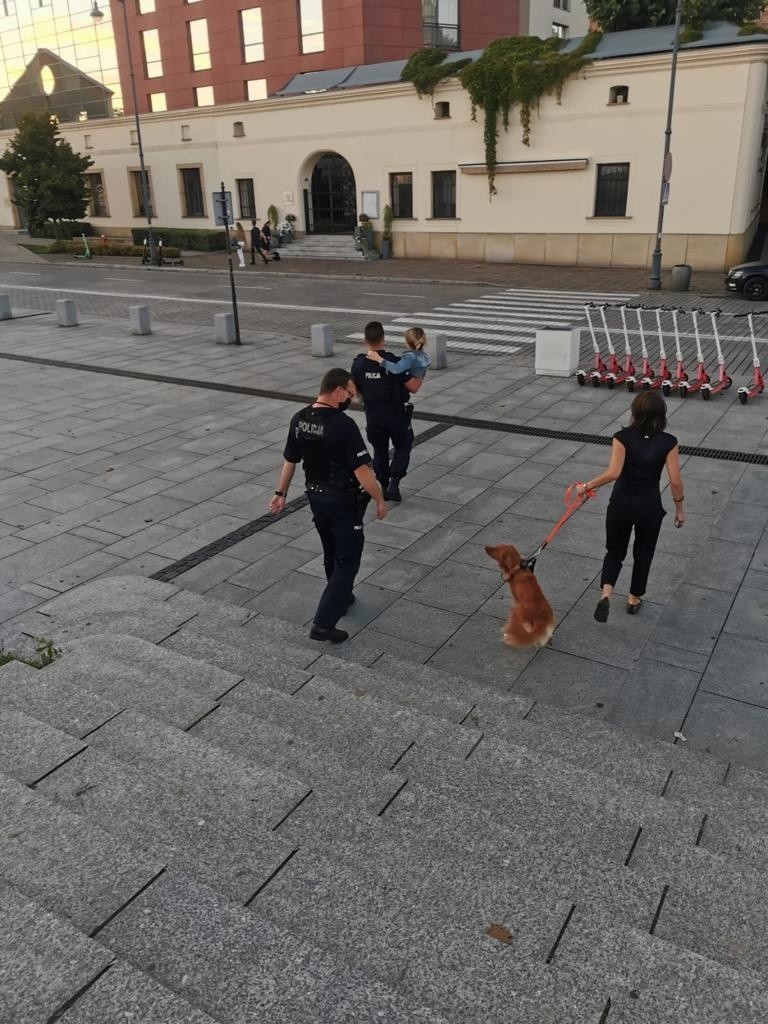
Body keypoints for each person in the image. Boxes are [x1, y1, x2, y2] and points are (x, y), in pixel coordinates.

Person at [269, 368, 387, 644]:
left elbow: (290, 460)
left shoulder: (299, 419)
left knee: (331, 550)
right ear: (338, 391)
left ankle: (342, 597)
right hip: (342, 502)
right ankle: (323, 623)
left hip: (316, 499)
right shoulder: (342, 424)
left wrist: (280, 492)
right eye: (350, 394)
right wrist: (379, 499)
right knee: (348, 559)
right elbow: (362, 471)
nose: (351, 399)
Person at [576, 391, 685, 623]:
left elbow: (614, 473)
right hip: (649, 507)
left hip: (621, 504)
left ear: (634, 412)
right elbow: (675, 481)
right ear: (662, 414)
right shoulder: (669, 442)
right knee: (644, 553)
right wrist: (679, 509)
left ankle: (606, 593)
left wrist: (586, 486)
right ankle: (633, 598)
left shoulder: (621, 437)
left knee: (614, 550)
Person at [351, 321, 422, 503]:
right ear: (383, 339)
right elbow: (413, 387)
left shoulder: (358, 365)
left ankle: (383, 485)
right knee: (403, 445)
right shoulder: (393, 361)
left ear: (365, 340)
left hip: (374, 416)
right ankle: (395, 482)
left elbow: (354, 391)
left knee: (379, 449)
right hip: (396, 414)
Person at [366, 326, 431, 379]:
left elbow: (396, 369)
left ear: (408, 343)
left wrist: (379, 359)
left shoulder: (410, 357)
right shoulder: (422, 355)